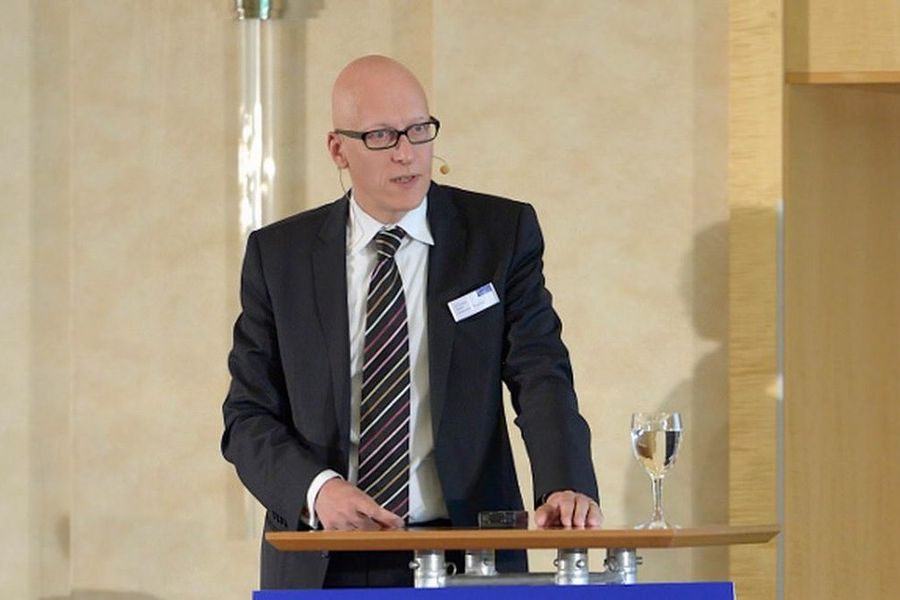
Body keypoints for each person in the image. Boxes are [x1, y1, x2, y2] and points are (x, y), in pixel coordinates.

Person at [221, 55, 602, 589]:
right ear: (338, 149)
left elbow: (541, 372)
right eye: (381, 136)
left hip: (467, 554)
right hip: (326, 555)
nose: (407, 153)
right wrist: (318, 490)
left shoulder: (498, 234)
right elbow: (247, 416)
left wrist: (564, 484)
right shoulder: (279, 256)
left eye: (419, 130)